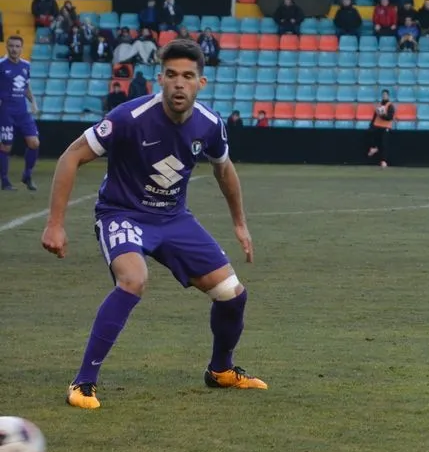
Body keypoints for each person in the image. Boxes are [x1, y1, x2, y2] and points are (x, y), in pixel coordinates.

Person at [41, 38, 267, 410]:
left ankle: (221, 370)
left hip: (173, 219)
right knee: (133, 279)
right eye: (173, 75)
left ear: (201, 83)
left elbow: (224, 169)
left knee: (232, 294)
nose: (180, 83)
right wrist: (55, 223)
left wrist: (239, 223)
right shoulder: (128, 118)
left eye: (189, 76)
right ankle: (83, 382)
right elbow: (71, 157)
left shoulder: (210, 125)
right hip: (122, 213)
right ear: (160, 79)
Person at [0, 35, 41, 191]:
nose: (14, 49)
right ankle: (4, 181)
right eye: (11, 46)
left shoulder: (26, 65)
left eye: (17, 46)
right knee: (6, 147)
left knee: (34, 143)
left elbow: (25, 87)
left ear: (21, 48)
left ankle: (27, 175)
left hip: (22, 112)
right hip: (5, 112)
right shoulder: (1, 65)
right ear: (7, 47)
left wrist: (33, 103)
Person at [366, 89, 396, 167]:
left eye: (385, 95)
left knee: (384, 144)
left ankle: (384, 161)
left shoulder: (390, 105)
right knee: (370, 134)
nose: (384, 96)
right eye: (383, 95)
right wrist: (371, 124)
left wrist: (383, 115)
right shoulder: (379, 105)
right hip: (377, 125)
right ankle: (374, 147)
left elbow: (390, 117)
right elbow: (375, 115)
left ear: (388, 96)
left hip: (386, 126)